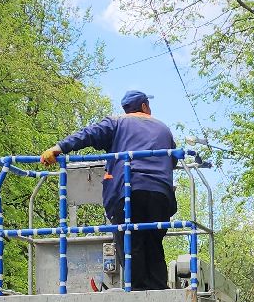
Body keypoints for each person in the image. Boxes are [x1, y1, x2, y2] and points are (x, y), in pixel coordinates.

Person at [40, 89, 178, 291]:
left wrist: (59, 148)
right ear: (144, 106)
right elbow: (172, 160)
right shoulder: (164, 129)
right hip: (160, 194)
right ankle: (159, 293)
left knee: (130, 244)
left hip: (128, 191)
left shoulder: (117, 123)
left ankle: (139, 295)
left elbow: (88, 134)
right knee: (154, 244)